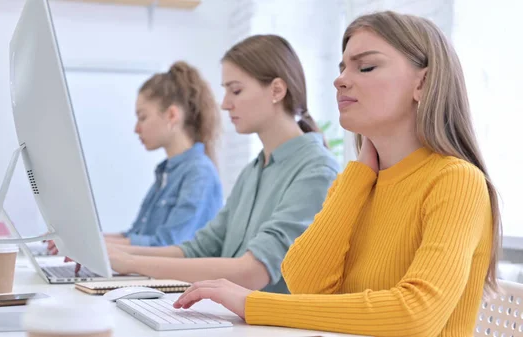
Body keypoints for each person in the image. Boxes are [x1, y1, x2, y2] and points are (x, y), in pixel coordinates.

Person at [173, 11, 501, 337]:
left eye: (366, 66)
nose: (340, 79)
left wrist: (252, 304)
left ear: (423, 83)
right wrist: (358, 177)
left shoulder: (456, 181)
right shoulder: (356, 182)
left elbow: (415, 314)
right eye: (342, 67)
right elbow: (304, 284)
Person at [104, 34, 340, 294]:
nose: (225, 104)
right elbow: (198, 249)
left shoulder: (317, 170)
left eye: (236, 90)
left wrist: (131, 262)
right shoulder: (254, 170)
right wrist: (113, 252)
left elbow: (252, 273)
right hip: (229, 317)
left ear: (276, 90)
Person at [49, 61, 223, 250]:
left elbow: (167, 245)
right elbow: (136, 235)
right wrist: (78, 238)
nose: (136, 128)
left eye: (143, 117)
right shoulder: (166, 172)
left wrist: (88, 244)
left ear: (172, 115)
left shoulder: (199, 173)